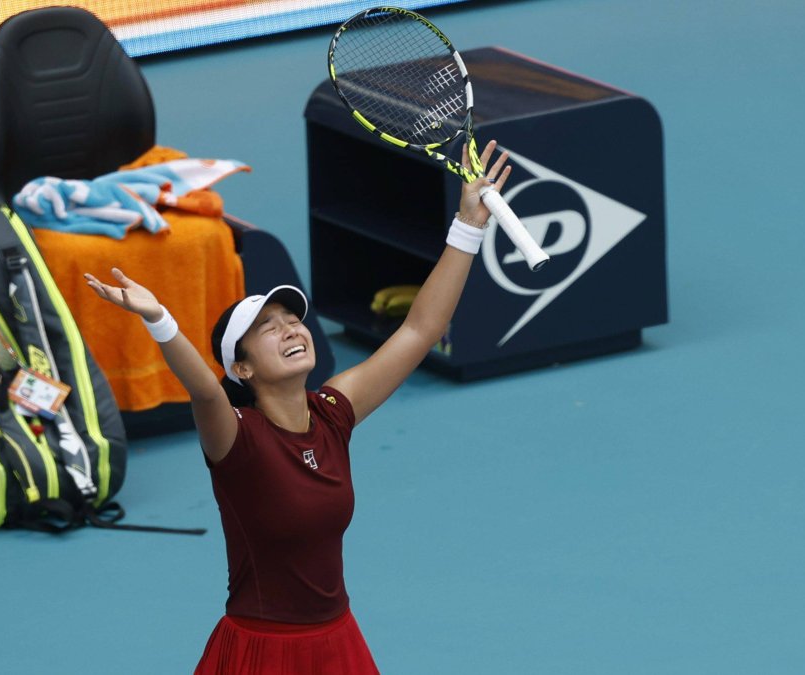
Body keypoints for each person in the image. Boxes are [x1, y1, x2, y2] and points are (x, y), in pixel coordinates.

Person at [84, 140, 513, 674]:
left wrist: (468, 226)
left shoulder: (333, 412)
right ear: (242, 368)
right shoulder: (236, 437)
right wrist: (159, 319)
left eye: (293, 320)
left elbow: (420, 330)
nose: (291, 329)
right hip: (263, 651)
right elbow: (205, 391)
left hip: (338, 642)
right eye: (268, 328)